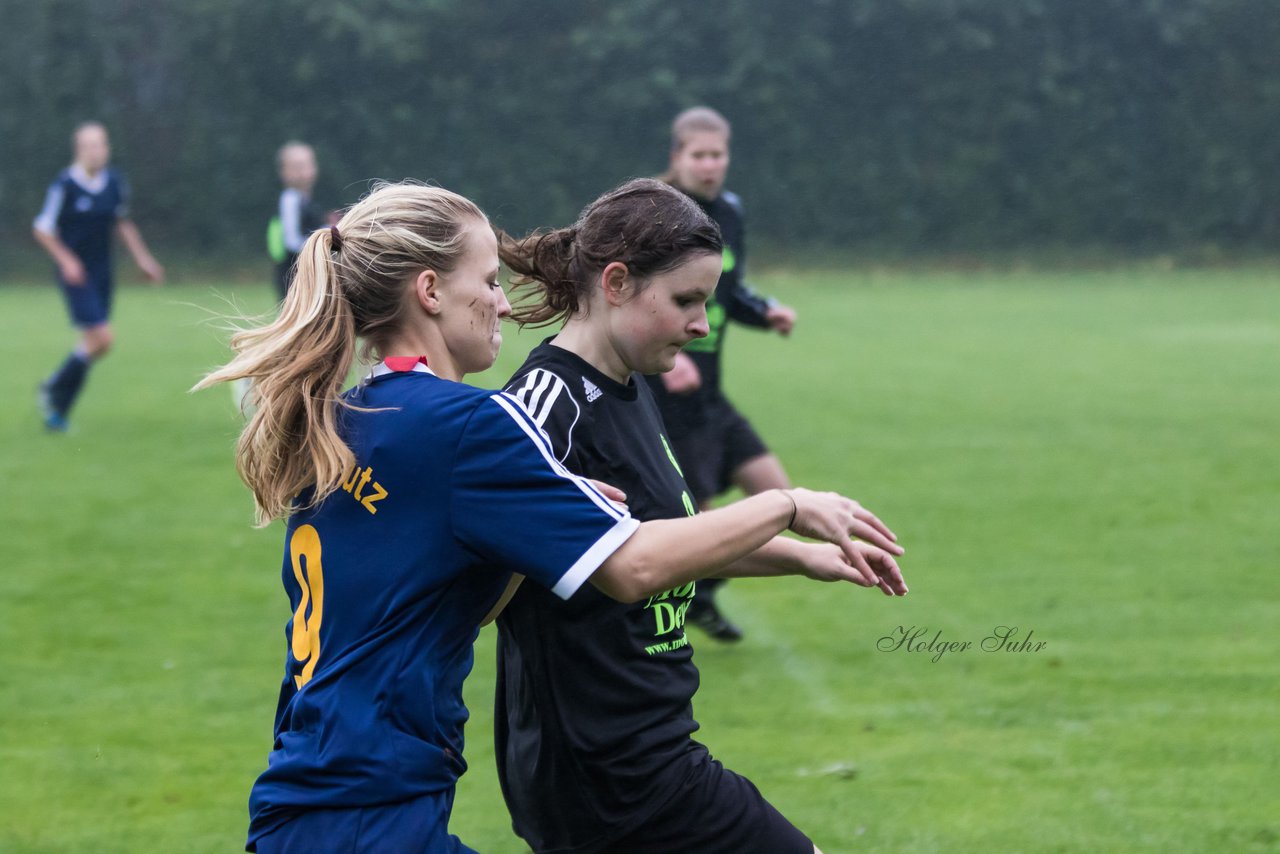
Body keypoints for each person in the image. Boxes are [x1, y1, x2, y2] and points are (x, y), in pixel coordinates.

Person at [195, 181, 903, 853]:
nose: (504, 305)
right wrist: (788, 504)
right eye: (490, 282)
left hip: (320, 802)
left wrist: (571, 520)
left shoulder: (350, 419)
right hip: (370, 815)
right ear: (431, 291)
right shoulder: (467, 426)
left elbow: (453, 578)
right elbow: (633, 568)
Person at [497, 178, 907, 854]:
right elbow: (630, 565)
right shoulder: (546, 406)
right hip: (603, 772)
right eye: (686, 300)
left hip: (643, 751)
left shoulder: (630, 388)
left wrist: (801, 557)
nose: (701, 323)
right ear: (618, 282)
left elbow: (662, 534)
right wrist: (786, 505)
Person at [643, 106, 804, 641]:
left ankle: (700, 597)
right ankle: (675, 607)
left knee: (776, 495)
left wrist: (765, 313)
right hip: (664, 396)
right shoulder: (657, 214)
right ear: (678, 157)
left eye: (718, 155)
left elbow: (728, 293)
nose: (710, 165)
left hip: (711, 393)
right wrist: (671, 352)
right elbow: (633, 296)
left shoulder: (729, 212)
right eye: (699, 155)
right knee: (702, 523)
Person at [33, 121, 164, 432]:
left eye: (102, 144)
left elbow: (122, 223)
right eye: (90, 145)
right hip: (76, 276)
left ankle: (54, 393)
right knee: (102, 338)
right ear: (79, 150)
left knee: (98, 344)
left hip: (103, 273)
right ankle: (56, 396)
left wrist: (144, 260)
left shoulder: (114, 182)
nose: (98, 151)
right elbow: (42, 228)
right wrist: (67, 261)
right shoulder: (64, 185)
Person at [267, 141, 327, 300]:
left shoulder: (306, 201)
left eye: (307, 164)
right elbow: (292, 241)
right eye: (297, 166)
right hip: (293, 274)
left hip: (305, 273)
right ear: (284, 172)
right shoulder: (290, 199)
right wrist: (323, 243)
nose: (304, 170)